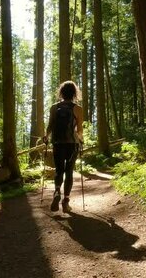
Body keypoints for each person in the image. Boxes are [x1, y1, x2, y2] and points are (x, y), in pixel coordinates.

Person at [43, 81, 84, 213]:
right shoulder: (77, 108)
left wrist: (46, 136)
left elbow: (50, 125)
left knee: (59, 170)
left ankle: (56, 192)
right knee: (69, 172)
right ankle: (65, 202)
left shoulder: (54, 107)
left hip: (57, 143)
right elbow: (80, 130)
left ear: (61, 92)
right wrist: (81, 141)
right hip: (72, 144)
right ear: (74, 93)